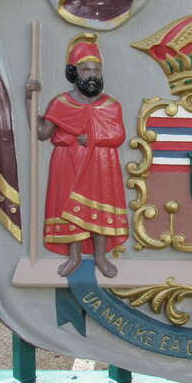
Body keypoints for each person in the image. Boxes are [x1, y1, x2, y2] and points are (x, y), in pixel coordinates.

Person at [26, 35, 128, 278]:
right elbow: (42, 133)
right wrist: (29, 100)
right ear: (74, 72)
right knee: (69, 209)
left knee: (99, 208)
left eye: (96, 69)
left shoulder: (111, 106)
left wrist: (93, 139)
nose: (92, 74)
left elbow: (118, 136)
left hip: (100, 165)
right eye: (86, 69)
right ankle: (74, 256)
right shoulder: (60, 103)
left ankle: (100, 256)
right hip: (67, 163)